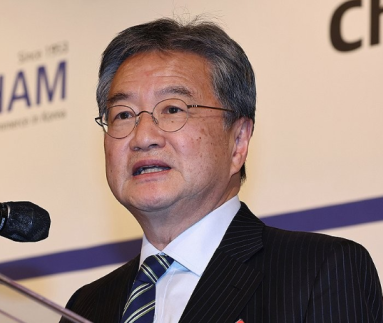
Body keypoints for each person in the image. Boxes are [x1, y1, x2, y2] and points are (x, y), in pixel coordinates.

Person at [63, 18, 383, 323]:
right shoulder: (87, 305)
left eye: (173, 109)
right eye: (123, 114)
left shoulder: (319, 269)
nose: (143, 136)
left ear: (239, 141)